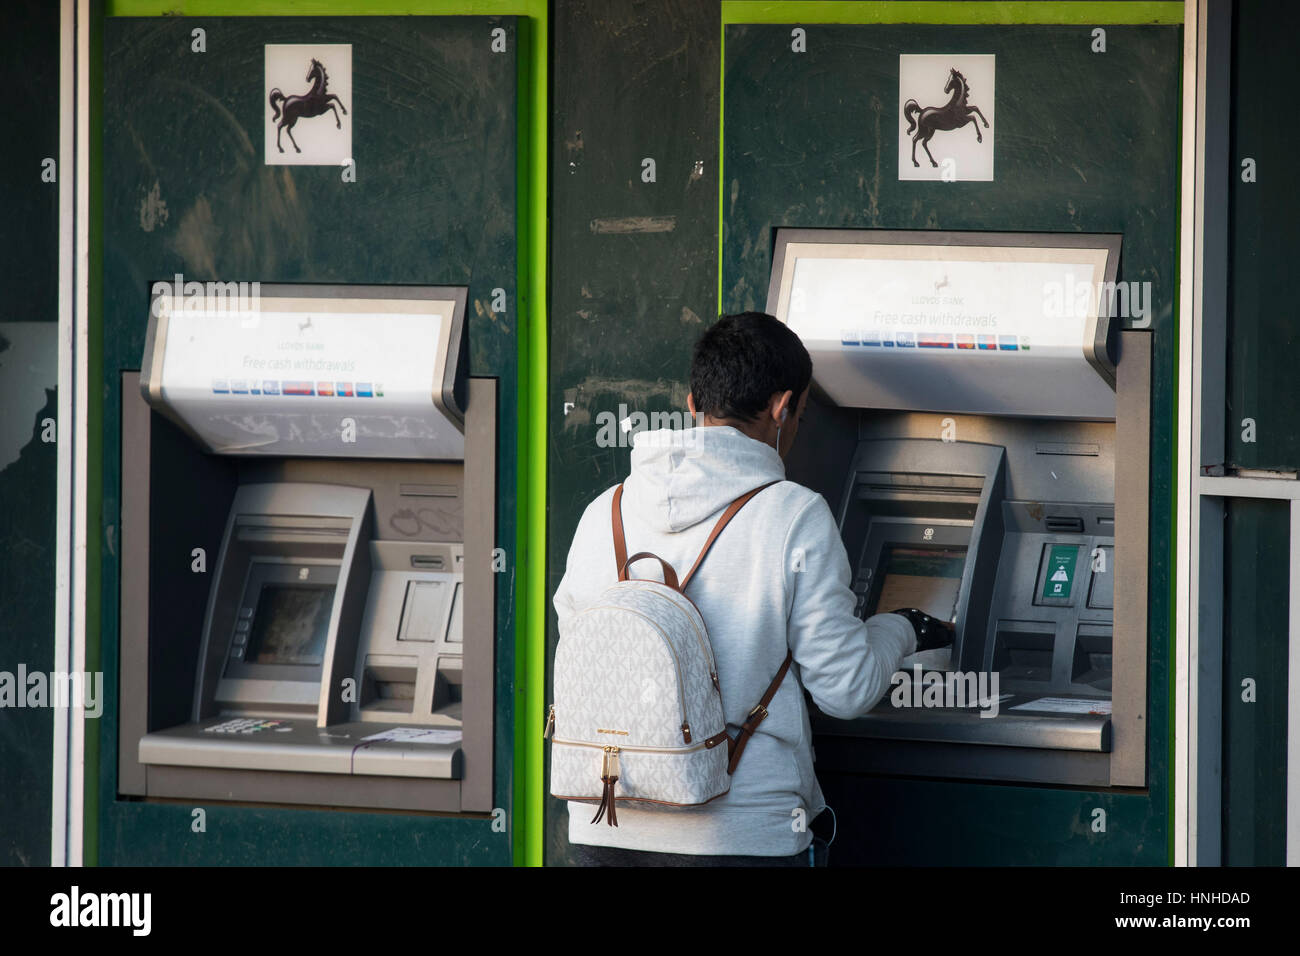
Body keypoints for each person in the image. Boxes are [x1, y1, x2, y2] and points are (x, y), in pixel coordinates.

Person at [553, 311, 951, 866]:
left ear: (693, 401)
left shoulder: (606, 511)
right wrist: (902, 628)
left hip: (604, 825)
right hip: (737, 836)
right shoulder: (794, 515)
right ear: (783, 407)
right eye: (804, 415)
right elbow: (846, 690)